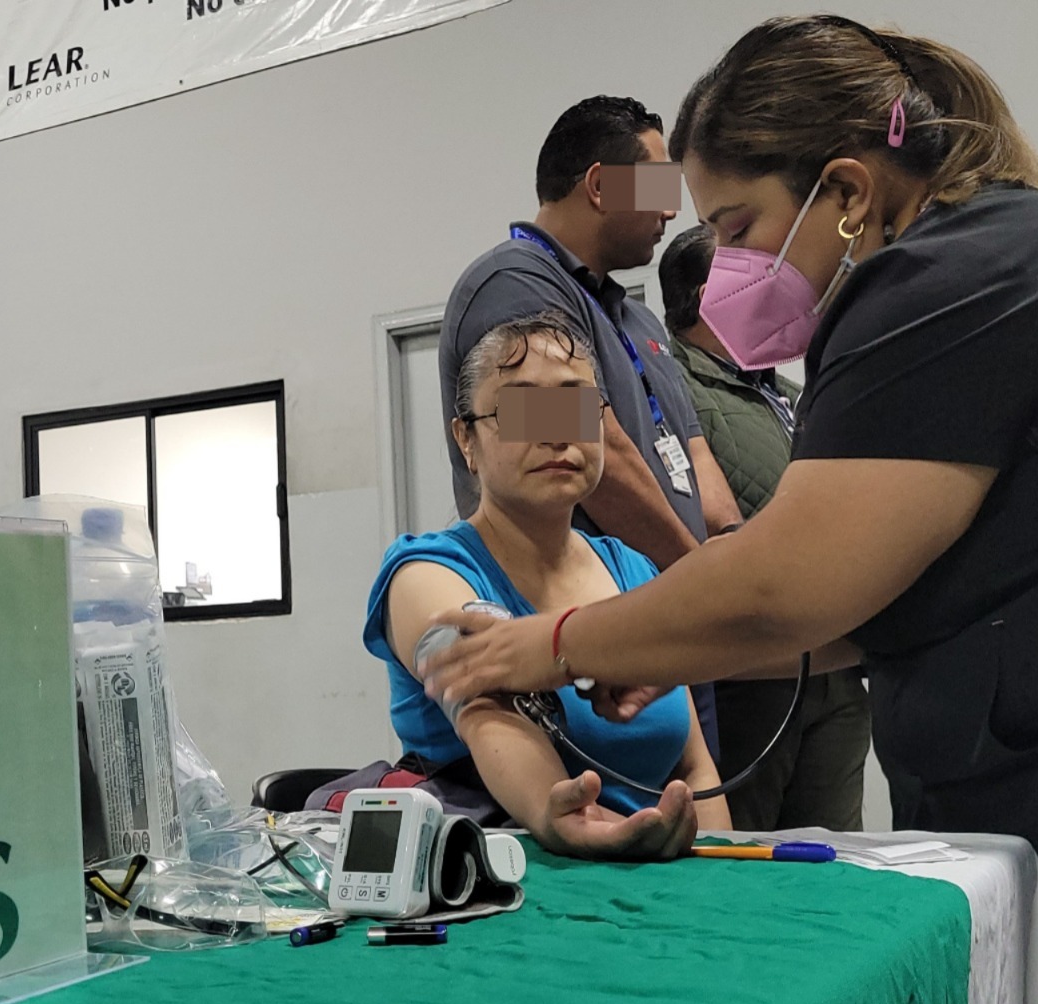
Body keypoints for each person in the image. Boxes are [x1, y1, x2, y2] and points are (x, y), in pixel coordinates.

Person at [416, 16, 1038, 1004]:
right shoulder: (520, 303)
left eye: (725, 221)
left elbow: (738, 533)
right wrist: (673, 606)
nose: (687, 236)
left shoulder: (642, 322)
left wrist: (631, 616)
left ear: (847, 187)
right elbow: (497, 644)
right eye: (666, 200)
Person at [346, 312, 729, 858]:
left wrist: (718, 867)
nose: (555, 433)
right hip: (515, 880)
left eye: (576, 408)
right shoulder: (424, 574)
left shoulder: (636, 571)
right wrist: (557, 812)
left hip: (668, 876)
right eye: (521, 411)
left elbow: (695, 769)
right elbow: (486, 709)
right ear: (466, 440)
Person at [439, 94, 743, 763]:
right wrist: (702, 582)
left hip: (670, 611)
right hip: (584, 632)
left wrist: (734, 556)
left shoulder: (638, 319)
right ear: (601, 185)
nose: (672, 211)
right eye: (658, 187)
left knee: (702, 804)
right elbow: (582, 441)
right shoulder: (514, 282)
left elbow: (693, 451)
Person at [657, 224, 873, 832]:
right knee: (751, 853)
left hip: (833, 666)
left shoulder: (794, 391)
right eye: (753, 272)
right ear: (707, 296)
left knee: (837, 857)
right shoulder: (673, 387)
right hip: (749, 678)